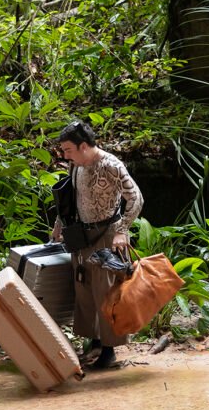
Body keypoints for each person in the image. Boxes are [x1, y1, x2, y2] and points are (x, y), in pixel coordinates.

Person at [52, 120, 143, 370]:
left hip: (107, 235)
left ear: (83, 146)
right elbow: (71, 197)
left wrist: (122, 230)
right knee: (84, 287)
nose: (64, 155)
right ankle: (94, 339)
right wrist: (60, 223)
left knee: (106, 291)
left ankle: (109, 348)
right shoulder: (76, 166)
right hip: (81, 235)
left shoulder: (111, 165)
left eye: (68, 150)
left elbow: (135, 197)